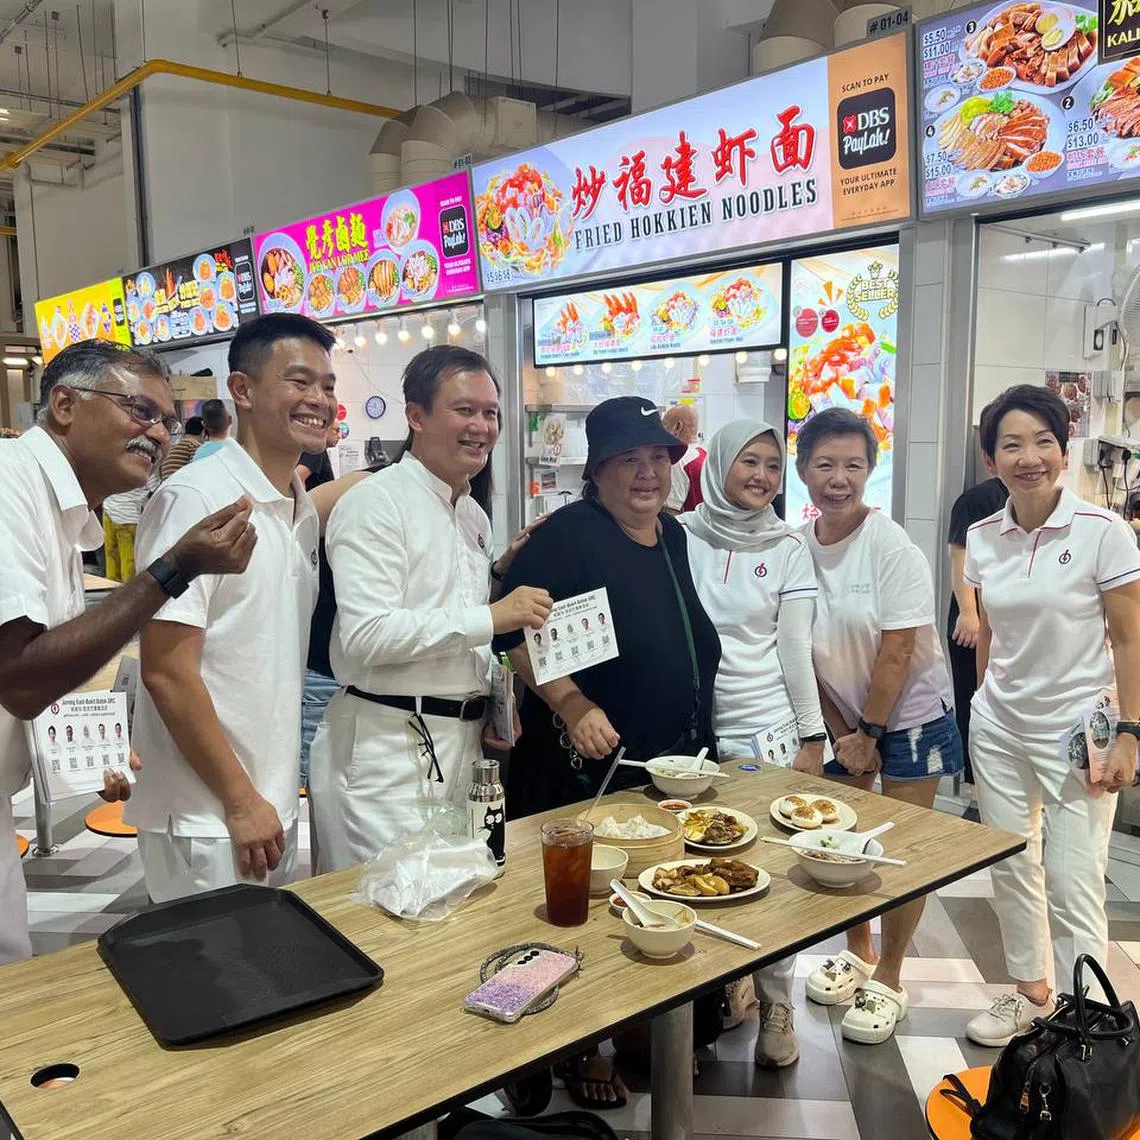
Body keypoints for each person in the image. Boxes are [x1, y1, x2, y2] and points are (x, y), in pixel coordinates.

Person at [493, 396, 721, 1110]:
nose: (649, 472)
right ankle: (566, 1049)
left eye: (659, 457)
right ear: (597, 471)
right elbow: (507, 637)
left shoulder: (673, 536)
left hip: (664, 769)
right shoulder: (568, 536)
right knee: (571, 906)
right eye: (629, 460)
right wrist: (572, 702)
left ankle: (624, 1028)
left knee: (642, 904)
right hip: (580, 770)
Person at [0, 339, 255, 964]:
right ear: (64, 404)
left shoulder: (63, 513)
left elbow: (35, 672)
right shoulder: (9, 482)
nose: (159, 435)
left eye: (168, 421)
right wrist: (175, 569)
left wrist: (85, 754)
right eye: (139, 411)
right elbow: (22, 678)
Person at [310, 345, 552, 870]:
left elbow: (446, 618)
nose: (482, 426)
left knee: (453, 912)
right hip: (385, 755)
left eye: (491, 413)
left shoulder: (471, 514)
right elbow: (366, 636)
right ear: (416, 416)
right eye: (465, 410)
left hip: (460, 748)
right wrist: (494, 616)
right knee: (383, 922)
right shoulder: (376, 501)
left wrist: (493, 698)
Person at [128, 313, 335, 902]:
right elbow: (166, 669)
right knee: (214, 984)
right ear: (241, 390)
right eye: (299, 381)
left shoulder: (299, 508)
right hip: (209, 815)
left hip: (266, 801)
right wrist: (240, 800)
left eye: (327, 385)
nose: (318, 400)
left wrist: (263, 798)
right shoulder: (198, 496)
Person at [963, 384, 1140, 1047]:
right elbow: (987, 633)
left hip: (1079, 733)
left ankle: (1084, 1016)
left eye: (1043, 441)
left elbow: (1130, 639)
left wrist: (1131, 733)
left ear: (1063, 451)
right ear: (991, 459)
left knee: (1073, 879)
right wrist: (980, 708)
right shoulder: (984, 536)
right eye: (1011, 444)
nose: (1028, 456)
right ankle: (1031, 990)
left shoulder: (1105, 533)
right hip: (1000, 726)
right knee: (1010, 863)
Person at [799, 408, 963, 1046]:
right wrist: (842, 729)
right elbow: (800, 647)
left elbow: (897, 649)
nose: (838, 479)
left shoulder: (890, 543)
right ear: (804, 468)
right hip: (846, 718)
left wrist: (870, 731)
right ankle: (857, 949)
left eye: (853, 466)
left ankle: (890, 974)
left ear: (870, 470)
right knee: (845, 844)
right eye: (825, 464)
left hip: (910, 718)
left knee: (902, 847)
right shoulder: (797, 544)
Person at [679, 418, 827, 1069]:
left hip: (765, 730)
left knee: (769, 873)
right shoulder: (676, 534)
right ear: (718, 466)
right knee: (687, 872)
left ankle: (775, 1003)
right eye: (749, 461)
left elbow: (794, 647)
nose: (762, 476)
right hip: (689, 737)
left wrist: (811, 733)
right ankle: (696, 1010)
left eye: (772, 465)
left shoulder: (790, 546)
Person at [946, 455, 1008, 786]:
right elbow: (959, 555)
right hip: (972, 624)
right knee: (973, 702)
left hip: (1003, 625)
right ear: (990, 459)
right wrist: (969, 613)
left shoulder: (1027, 503)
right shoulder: (977, 499)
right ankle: (975, 786)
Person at [101, 466, 159, 581]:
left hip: (109, 510)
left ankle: (110, 595)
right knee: (129, 570)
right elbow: (155, 487)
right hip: (129, 517)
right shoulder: (146, 463)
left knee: (112, 565)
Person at [662, 404, 707, 514]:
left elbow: (671, 513)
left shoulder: (677, 460)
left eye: (663, 426)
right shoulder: (706, 455)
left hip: (685, 529)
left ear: (677, 427)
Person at [297, 421, 340, 490]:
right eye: (336, 430)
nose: (339, 436)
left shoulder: (316, 449)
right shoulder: (317, 450)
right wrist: (302, 500)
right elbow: (298, 477)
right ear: (324, 429)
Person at [160, 415, 205, 480]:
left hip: (167, 485)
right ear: (203, 432)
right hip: (183, 484)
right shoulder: (194, 445)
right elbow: (197, 470)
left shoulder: (172, 448)